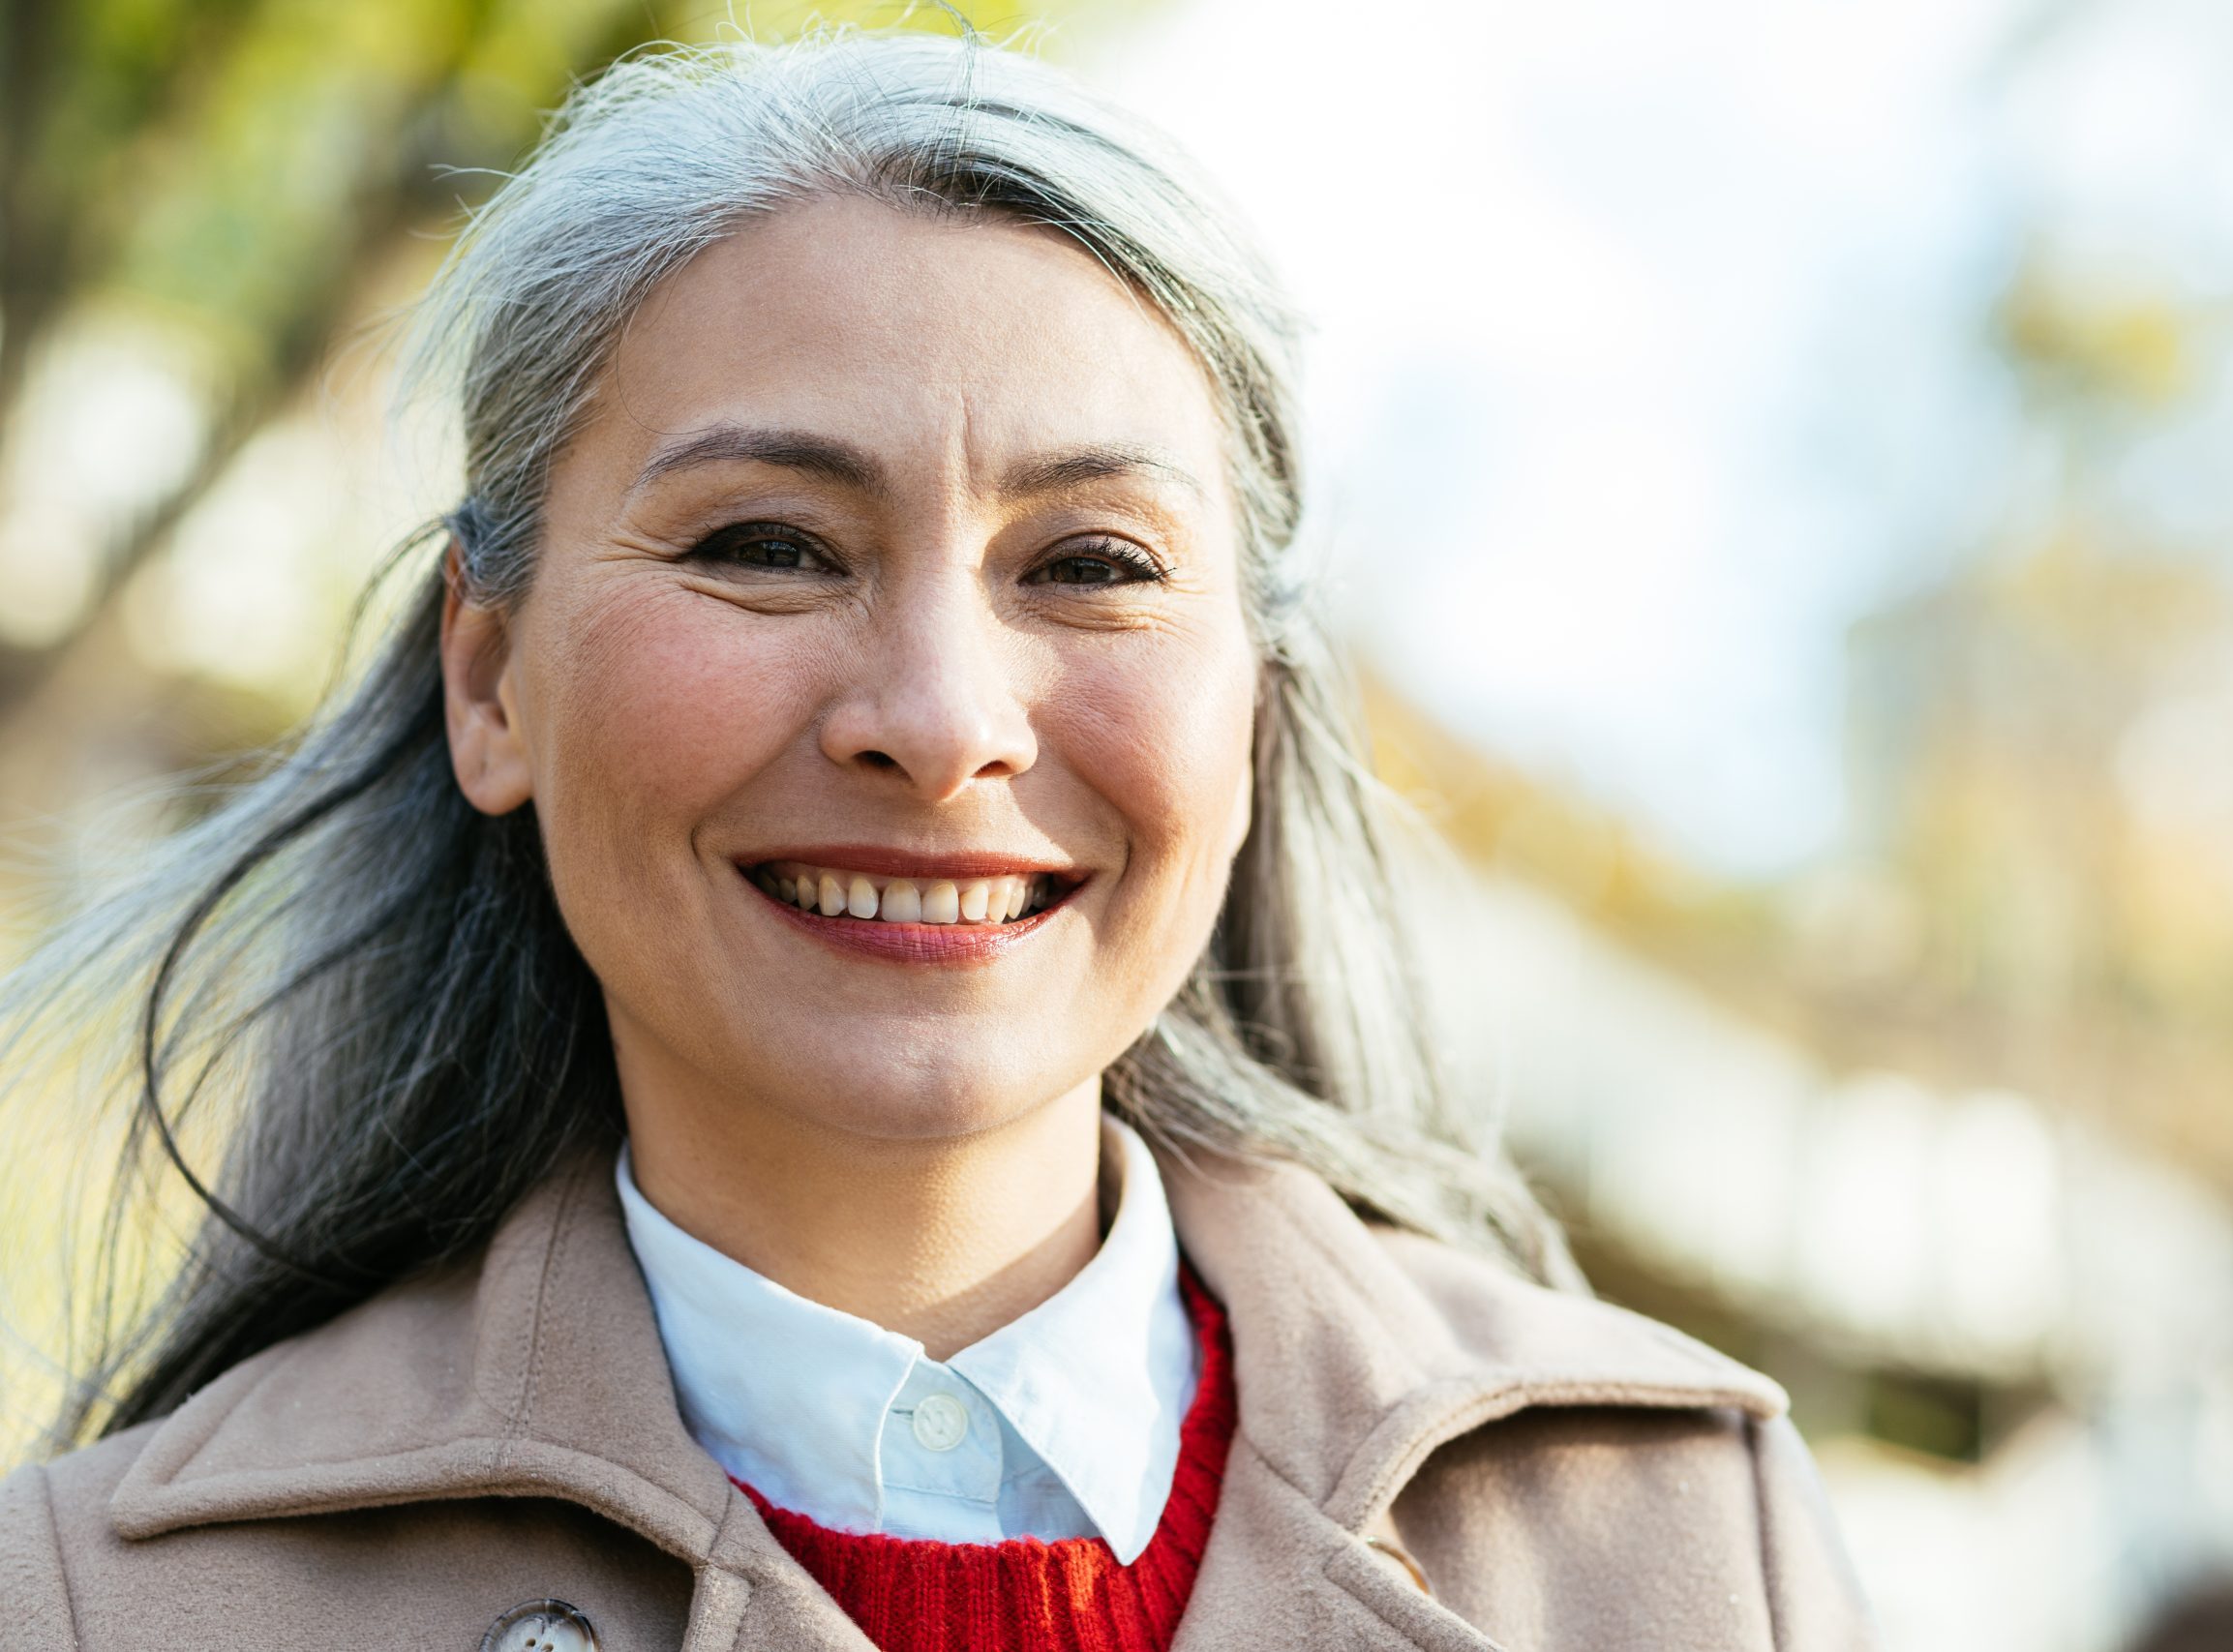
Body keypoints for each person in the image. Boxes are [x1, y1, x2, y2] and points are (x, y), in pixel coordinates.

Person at [0, 29, 1878, 1651]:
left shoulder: (1679, 1533)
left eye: (1089, 565)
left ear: (1253, 704)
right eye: (765, 545)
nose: (939, 714)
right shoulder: (97, 1597)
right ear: (487, 676)